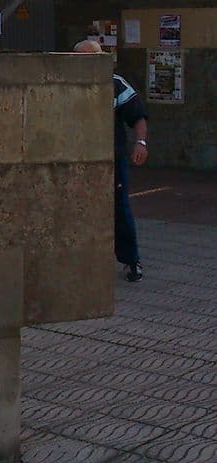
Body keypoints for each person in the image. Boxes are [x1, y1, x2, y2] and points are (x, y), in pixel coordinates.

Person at [73, 39, 148, 282]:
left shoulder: (115, 84)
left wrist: (141, 142)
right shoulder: (67, 83)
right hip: (76, 160)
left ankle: (131, 260)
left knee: (119, 208)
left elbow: (137, 115)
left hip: (111, 159)